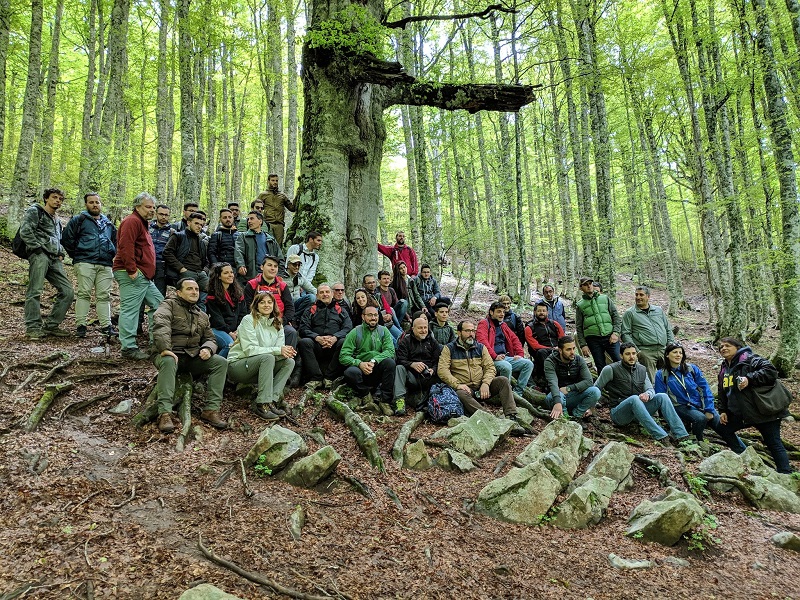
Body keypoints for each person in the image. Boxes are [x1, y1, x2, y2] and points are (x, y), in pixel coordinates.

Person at [151, 277, 228, 432]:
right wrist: (166, 348)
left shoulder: (201, 315)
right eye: (189, 289)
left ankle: (211, 410)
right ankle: (164, 413)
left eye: (196, 289)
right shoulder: (168, 305)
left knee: (220, 362)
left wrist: (208, 348)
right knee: (168, 360)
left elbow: (210, 338)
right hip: (169, 354)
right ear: (178, 292)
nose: (194, 292)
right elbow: (161, 325)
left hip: (191, 357)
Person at [437, 320, 529, 434]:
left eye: (472, 331)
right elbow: (442, 370)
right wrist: (458, 384)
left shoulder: (480, 347)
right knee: (460, 393)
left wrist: (486, 383)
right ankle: (490, 419)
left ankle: (511, 417)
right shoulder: (449, 349)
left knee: (503, 381)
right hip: (465, 389)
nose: (471, 334)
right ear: (459, 333)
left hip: (482, 387)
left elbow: (490, 367)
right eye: (467, 331)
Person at [716, 337, 793, 473]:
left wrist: (749, 378)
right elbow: (722, 391)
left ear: (737, 347)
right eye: (721, 347)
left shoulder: (750, 359)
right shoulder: (724, 369)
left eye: (727, 345)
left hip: (763, 412)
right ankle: (745, 456)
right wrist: (723, 410)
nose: (723, 348)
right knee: (723, 428)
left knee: (773, 443)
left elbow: (770, 371)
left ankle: (785, 473)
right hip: (741, 413)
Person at [595, 342, 689, 444]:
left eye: (633, 354)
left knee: (662, 396)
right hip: (619, 414)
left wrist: (647, 394)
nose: (631, 357)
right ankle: (661, 436)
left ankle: (681, 435)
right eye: (627, 354)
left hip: (638, 412)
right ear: (621, 355)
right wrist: (591, 408)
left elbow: (650, 389)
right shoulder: (611, 369)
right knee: (634, 398)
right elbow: (596, 388)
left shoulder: (642, 369)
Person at [655, 343, 743, 447]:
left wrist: (709, 409)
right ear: (667, 355)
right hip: (680, 406)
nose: (678, 355)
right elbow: (661, 396)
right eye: (675, 352)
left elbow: (705, 388)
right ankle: (698, 443)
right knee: (700, 418)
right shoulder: (661, 374)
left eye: (680, 352)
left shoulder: (691, 369)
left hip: (700, 404)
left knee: (723, 426)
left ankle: (741, 451)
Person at [227, 292, 296, 421]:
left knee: (289, 362)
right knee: (268, 357)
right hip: (238, 365)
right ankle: (262, 404)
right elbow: (250, 350)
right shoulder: (249, 319)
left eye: (269, 302)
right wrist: (278, 350)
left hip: (262, 367)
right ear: (256, 305)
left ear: (274, 305)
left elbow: (277, 351)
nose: (266, 305)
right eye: (262, 302)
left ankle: (272, 401)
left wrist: (286, 352)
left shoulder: (278, 324)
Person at [113, 192, 165, 360]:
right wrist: (132, 270)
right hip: (133, 273)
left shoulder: (142, 223)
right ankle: (128, 347)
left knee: (159, 305)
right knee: (130, 310)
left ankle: (155, 342)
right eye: (148, 207)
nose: (152, 210)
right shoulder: (132, 221)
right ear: (137, 207)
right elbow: (125, 246)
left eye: (153, 207)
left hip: (144, 276)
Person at [19, 188, 75, 339]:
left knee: (68, 291)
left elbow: (57, 239)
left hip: (54, 258)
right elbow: (25, 231)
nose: (57, 201)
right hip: (39, 256)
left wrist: (61, 253)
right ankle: (32, 327)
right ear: (46, 198)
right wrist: (37, 249)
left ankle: (51, 325)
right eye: (54, 197)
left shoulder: (57, 219)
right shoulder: (35, 211)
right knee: (35, 291)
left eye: (60, 199)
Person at [61, 192, 117, 338]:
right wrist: (78, 254)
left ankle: (106, 326)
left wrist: (111, 253)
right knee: (84, 293)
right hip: (85, 262)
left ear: (101, 204)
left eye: (97, 202)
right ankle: (81, 325)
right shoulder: (78, 220)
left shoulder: (108, 223)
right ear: (86, 204)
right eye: (91, 202)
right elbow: (66, 239)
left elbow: (115, 241)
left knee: (104, 296)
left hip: (105, 264)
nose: (94, 205)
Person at [339, 306, 397, 411]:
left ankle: (385, 401)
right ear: (363, 317)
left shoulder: (383, 331)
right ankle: (366, 395)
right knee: (350, 372)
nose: (373, 318)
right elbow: (343, 356)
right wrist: (359, 363)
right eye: (370, 315)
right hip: (360, 371)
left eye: (375, 315)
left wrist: (374, 361)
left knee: (390, 363)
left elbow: (390, 351)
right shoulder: (355, 332)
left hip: (376, 368)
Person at [298, 284, 352, 387]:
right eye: (321, 292)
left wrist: (335, 337)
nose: (325, 294)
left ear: (332, 294)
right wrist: (317, 337)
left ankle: (329, 378)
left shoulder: (341, 310)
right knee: (304, 342)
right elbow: (303, 328)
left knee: (344, 342)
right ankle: (316, 378)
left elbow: (348, 327)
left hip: (335, 345)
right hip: (316, 344)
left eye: (327, 292)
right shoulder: (310, 310)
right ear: (317, 295)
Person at [476, 301, 534, 396]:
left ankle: (518, 393)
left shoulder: (503, 325)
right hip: (489, 359)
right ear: (491, 312)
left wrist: (519, 354)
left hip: (504, 357)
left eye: (503, 312)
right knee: (506, 366)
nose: (502, 314)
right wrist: (495, 356)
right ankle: (505, 394)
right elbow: (482, 342)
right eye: (499, 311)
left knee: (528, 364)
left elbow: (514, 339)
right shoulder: (484, 324)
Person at [242, 255, 298, 347]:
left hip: (279, 322)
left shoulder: (283, 286)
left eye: (275, 266)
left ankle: (288, 359)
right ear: (262, 267)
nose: (273, 268)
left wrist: (282, 321)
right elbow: (247, 307)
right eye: (269, 265)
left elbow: (290, 307)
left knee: (291, 332)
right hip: (259, 322)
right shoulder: (252, 285)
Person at [621, 286, 674, 381]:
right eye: (636, 295)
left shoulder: (658, 310)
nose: (638, 297)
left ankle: (669, 395)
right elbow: (625, 334)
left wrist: (670, 346)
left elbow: (668, 329)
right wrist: (637, 351)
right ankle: (653, 396)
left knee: (669, 378)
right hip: (646, 351)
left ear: (648, 296)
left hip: (663, 349)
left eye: (641, 295)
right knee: (651, 381)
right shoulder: (630, 313)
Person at [543, 335, 601, 420]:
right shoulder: (550, 361)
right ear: (560, 350)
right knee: (555, 398)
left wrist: (569, 388)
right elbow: (553, 383)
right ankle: (566, 419)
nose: (572, 352)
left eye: (573, 348)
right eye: (568, 349)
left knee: (595, 391)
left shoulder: (578, 360)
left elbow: (589, 381)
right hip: (556, 395)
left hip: (574, 394)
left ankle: (576, 416)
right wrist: (557, 402)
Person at [394, 316, 442, 415]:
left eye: (425, 327)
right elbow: (399, 360)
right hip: (412, 377)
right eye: (420, 328)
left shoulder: (432, 342)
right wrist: (412, 364)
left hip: (429, 378)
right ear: (413, 329)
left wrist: (433, 369)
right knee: (399, 368)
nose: (423, 330)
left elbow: (439, 361)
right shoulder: (406, 341)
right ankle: (399, 401)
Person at [575, 276, 621, 370]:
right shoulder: (580, 305)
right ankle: (604, 385)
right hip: (593, 340)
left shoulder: (605, 298)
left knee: (619, 361)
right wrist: (583, 345)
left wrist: (615, 333)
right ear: (581, 288)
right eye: (585, 285)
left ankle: (624, 383)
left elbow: (616, 316)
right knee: (600, 365)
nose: (589, 286)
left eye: (590, 284)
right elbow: (579, 327)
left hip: (609, 336)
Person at [206, 262, 247, 358]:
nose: (230, 275)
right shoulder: (212, 295)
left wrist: (238, 330)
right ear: (219, 276)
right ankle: (215, 369)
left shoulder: (238, 293)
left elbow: (243, 313)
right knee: (229, 345)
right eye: (226, 273)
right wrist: (229, 333)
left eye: (231, 272)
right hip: (218, 329)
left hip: (236, 329)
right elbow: (217, 319)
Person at [163, 212, 209, 297]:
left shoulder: (201, 241)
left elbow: (206, 260)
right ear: (188, 222)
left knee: (211, 294)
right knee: (186, 298)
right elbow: (167, 252)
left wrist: (204, 271)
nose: (199, 226)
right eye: (196, 223)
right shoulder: (178, 236)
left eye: (201, 225)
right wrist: (181, 268)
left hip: (200, 273)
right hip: (186, 272)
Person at [234, 210, 284, 285]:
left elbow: (279, 257)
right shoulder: (243, 237)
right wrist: (240, 265)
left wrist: (279, 274)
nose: (249, 221)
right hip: (250, 275)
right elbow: (238, 251)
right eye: (248, 219)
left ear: (260, 221)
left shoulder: (270, 239)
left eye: (252, 219)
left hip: (269, 275)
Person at [525, 302, 565, 382]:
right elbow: (534, 345)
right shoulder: (529, 327)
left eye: (544, 311)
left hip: (557, 350)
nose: (542, 313)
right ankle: (549, 378)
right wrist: (551, 349)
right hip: (541, 353)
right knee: (541, 352)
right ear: (535, 312)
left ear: (547, 312)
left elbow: (563, 338)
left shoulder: (554, 324)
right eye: (539, 311)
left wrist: (560, 347)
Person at [256, 173, 296, 245]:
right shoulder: (263, 195)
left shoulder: (282, 196)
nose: (275, 182)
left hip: (279, 225)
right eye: (273, 180)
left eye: (276, 181)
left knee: (278, 246)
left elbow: (292, 208)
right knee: (267, 244)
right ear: (268, 181)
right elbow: (256, 208)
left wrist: (297, 197)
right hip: (267, 224)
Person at [148, 204, 172, 298]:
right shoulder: (147, 227)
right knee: (141, 292)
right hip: (146, 263)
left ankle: (158, 312)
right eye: (161, 214)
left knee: (159, 295)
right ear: (156, 214)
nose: (163, 217)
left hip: (162, 265)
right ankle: (139, 313)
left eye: (166, 215)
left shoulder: (172, 232)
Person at [285, 253, 317, 317]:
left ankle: (295, 316)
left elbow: (311, 289)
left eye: (299, 265)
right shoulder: (281, 276)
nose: (297, 267)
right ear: (288, 265)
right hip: (285, 304)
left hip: (297, 303)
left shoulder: (300, 276)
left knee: (312, 297)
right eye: (294, 264)